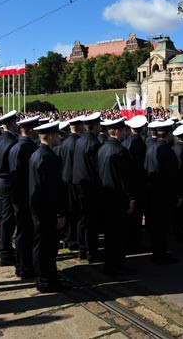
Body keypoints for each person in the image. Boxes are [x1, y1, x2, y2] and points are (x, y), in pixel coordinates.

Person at [29, 121, 68, 293]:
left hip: (38, 209)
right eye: (57, 134)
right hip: (47, 210)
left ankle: (44, 278)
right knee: (48, 247)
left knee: (42, 246)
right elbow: (53, 189)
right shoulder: (48, 157)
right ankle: (47, 280)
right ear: (51, 136)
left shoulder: (37, 153)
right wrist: (60, 213)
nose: (59, 137)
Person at [97, 118, 135, 274]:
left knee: (110, 233)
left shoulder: (102, 148)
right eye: (124, 130)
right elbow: (125, 179)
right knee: (118, 234)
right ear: (118, 132)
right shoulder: (120, 151)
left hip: (105, 196)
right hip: (118, 198)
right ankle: (117, 265)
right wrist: (131, 199)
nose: (126, 132)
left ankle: (110, 264)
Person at [8, 116, 40, 279]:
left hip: (17, 197)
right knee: (26, 234)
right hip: (25, 198)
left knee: (21, 233)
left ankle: (21, 265)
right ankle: (26, 267)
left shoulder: (17, 145)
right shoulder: (27, 148)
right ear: (31, 130)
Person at [144, 120, 179, 264]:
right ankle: (161, 254)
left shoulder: (150, 148)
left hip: (152, 191)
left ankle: (157, 251)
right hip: (164, 193)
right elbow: (172, 175)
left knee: (156, 224)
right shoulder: (167, 151)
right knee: (163, 226)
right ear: (168, 135)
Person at [0, 110, 19, 267]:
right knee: (8, 219)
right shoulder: (13, 142)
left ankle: (1, 250)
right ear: (12, 124)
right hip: (7, 181)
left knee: (1, 216)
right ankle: (5, 252)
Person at [72, 112, 103, 262]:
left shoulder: (80, 140)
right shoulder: (94, 143)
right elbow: (97, 168)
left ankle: (82, 250)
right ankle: (91, 252)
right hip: (90, 186)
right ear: (95, 126)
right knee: (91, 221)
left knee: (82, 220)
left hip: (79, 184)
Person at [123, 115, 148, 250]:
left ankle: (129, 240)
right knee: (137, 216)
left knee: (129, 216)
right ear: (142, 128)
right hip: (138, 184)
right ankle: (135, 243)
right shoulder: (140, 144)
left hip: (128, 183)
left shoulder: (126, 141)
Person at [59, 116, 84, 251]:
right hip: (75, 181)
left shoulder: (65, 142)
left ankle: (68, 238)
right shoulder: (79, 142)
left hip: (65, 179)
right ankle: (74, 239)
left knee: (68, 212)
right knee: (76, 213)